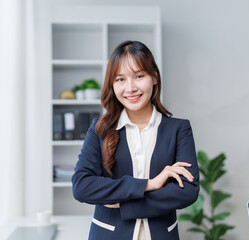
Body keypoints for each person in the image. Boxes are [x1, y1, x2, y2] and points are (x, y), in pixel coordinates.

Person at [72, 40, 199, 240]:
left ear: (154, 77)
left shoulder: (178, 129)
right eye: (120, 79)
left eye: (139, 76)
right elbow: (82, 186)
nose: (130, 88)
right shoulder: (100, 129)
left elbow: (186, 191)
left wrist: (123, 202)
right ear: (112, 85)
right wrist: (150, 184)